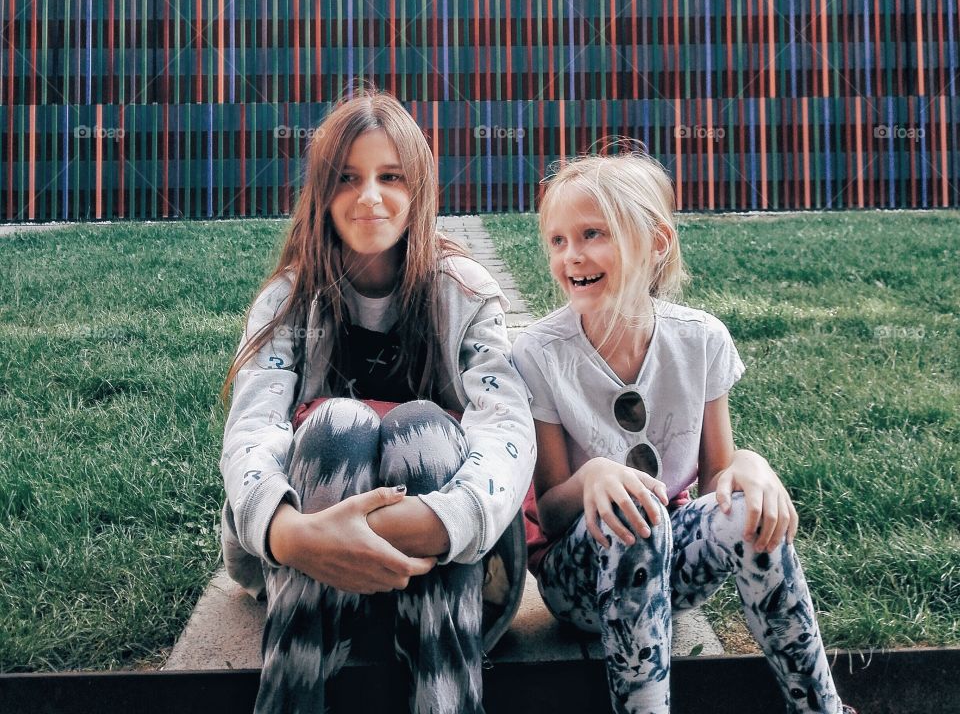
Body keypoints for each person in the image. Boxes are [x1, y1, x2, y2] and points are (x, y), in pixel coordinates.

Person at [219, 91, 535, 714]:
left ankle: (443, 697)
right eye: (347, 178)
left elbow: (508, 427)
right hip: (303, 567)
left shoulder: (464, 292)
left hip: (440, 571)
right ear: (320, 192)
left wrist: (446, 519)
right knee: (338, 420)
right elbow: (251, 429)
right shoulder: (290, 298)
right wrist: (292, 535)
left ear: (417, 186)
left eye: (390, 176)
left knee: (426, 429)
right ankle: (293, 693)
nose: (370, 197)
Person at [511, 147, 857, 714]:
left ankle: (822, 707)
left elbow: (716, 479)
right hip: (579, 580)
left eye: (592, 233)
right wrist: (594, 475)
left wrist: (749, 464)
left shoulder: (701, 340)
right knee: (635, 515)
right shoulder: (540, 353)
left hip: (671, 571)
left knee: (746, 509)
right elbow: (549, 513)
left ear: (655, 243)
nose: (572, 256)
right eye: (557, 240)